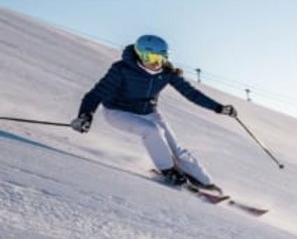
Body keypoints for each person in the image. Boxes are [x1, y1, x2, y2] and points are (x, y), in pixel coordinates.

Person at [71, 34, 237, 192]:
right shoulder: (121, 69)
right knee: (152, 130)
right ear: (139, 55)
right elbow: (96, 94)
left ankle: (206, 183)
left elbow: (191, 93)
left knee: (177, 149)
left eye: (160, 58)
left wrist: (218, 107)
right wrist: (85, 115)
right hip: (118, 112)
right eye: (149, 57)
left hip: (148, 112)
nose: (155, 63)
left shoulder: (166, 73)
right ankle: (169, 171)